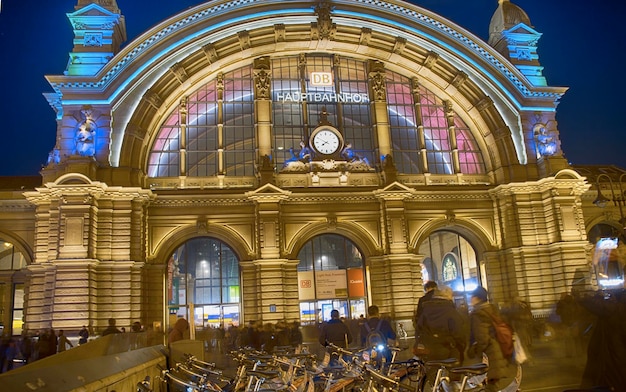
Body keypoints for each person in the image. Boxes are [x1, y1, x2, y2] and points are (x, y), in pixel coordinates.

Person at [578, 289, 626, 390]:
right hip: (617, 351)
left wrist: (585, 297)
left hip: (614, 352)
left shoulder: (616, 308)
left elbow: (599, 307)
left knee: (611, 380)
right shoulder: (618, 308)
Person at [467, 287, 509, 392]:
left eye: (472, 296)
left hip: (489, 354)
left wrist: (476, 350)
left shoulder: (478, 313)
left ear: (478, 298)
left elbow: (482, 338)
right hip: (497, 350)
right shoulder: (491, 310)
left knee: (491, 386)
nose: (470, 299)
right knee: (492, 385)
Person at [416, 285, 467, 363]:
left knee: (433, 373)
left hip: (429, 349)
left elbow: (419, 329)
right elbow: (459, 332)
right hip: (449, 349)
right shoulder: (451, 311)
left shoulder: (426, 310)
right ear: (447, 295)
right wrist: (461, 347)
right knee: (453, 372)